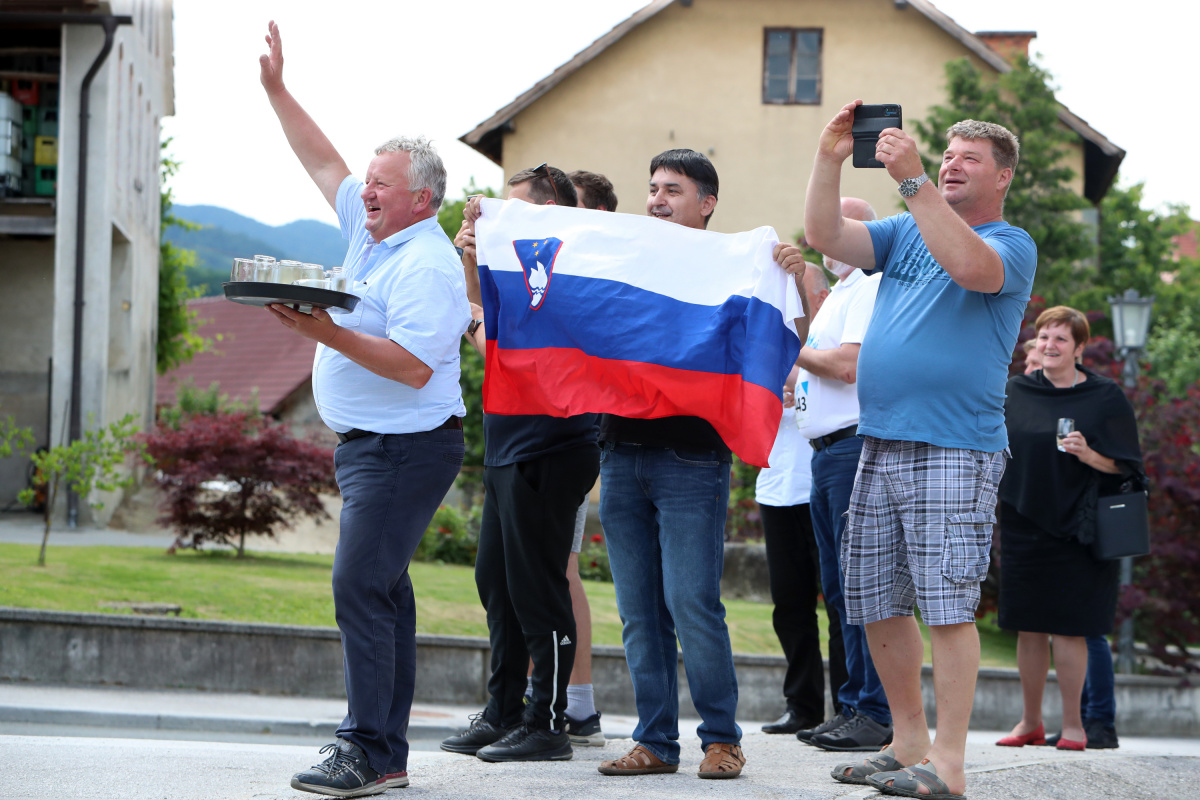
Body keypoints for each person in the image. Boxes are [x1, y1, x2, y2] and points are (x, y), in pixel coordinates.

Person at [258, 22, 469, 798]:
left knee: (360, 586)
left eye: (382, 183)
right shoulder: (372, 235)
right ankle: (386, 755)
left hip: (406, 448)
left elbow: (413, 368)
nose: (365, 190)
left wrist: (325, 333)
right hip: (372, 447)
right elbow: (322, 160)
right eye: (368, 180)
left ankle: (364, 749)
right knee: (384, 592)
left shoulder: (429, 265)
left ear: (421, 199)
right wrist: (278, 90)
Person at [803, 101, 1037, 799]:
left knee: (947, 604)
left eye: (970, 159)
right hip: (881, 439)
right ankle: (906, 741)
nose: (951, 165)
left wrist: (913, 182)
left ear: (1002, 177)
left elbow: (969, 268)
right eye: (947, 156)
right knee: (877, 600)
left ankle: (950, 763)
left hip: (955, 446)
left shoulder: (1011, 243)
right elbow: (824, 235)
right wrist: (828, 159)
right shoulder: (905, 230)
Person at [597, 148, 808, 780]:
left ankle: (722, 740)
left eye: (673, 190)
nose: (657, 199)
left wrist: (798, 282)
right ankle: (656, 742)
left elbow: (791, 342)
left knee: (691, 603)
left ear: (707, 203)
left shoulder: (738, 266)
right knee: (639, 613)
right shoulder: (625, 257)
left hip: (692, 458)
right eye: (653, 188)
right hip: (620, 452)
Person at [440, 166, 601, 762]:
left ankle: (548, 723)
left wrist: (472, 303)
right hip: (510, 445)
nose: (501, 219)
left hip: (550, 447)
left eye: (515, 209)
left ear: (548, 210)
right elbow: (488, 321)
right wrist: (471, 260)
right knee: (498, 585)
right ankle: (504, 711)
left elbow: (501, 342)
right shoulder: (522, 262)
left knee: (538, 592)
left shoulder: (567, 266)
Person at [995, 306, 1143, 752]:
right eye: (1044, 337)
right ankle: (1030, 722)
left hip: (1080, 526)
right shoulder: (1016, 390)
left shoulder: (1104, 396)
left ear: (1079, 348)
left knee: (1071, 628)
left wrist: (1089, 454)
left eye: (1061, 339)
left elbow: (1129, 468)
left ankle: (1075, 726)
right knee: (1028, 626)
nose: (1049, 345)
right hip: (1023, 520)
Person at [794, 198, 891, 754]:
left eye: (838, 224)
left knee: (860, 586)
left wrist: (791, 349)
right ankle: (855, 704)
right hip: (828, 452)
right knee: (839, 588)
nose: (824, 234)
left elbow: (847, 366)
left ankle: (874, 709)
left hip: (850, 449)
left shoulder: (868, 287)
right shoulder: (842, 293)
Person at [757, 263, 845, 737]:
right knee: (789, 604)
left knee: (840, 602)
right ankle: (802, 705)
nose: (789, 302)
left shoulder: (836, 340)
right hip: (777, 488)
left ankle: (848, 705)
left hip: (823, 484)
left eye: (798, 291)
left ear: (822, 297)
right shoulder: (767, 344)